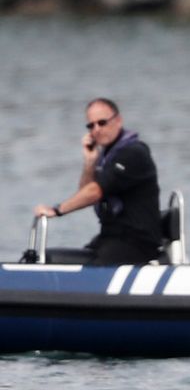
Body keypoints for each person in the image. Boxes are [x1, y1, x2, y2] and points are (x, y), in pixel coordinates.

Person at [34, 98, 163, 265]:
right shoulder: (106, 156)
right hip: (110, 237)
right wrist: (90, 163)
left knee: (92, 271)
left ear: (118, 120)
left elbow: (94, 192)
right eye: (91, 125)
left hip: (137, 243)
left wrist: (57, 210)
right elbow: (85, 193)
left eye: (102, 123)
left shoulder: (133, 153)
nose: (97, 130)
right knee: (48, 258)